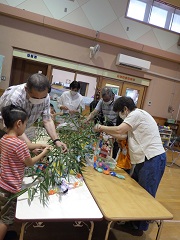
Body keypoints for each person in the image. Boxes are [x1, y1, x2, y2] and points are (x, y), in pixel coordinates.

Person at [94, 96, 166, 236]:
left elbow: (120, 130)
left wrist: (101, 127)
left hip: (152, 158)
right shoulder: (136, 116)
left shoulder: (136, 114)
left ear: (125, 109)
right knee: (136, 190)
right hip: (144, 159)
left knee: (146, 193)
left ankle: (139, 228)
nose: (121, 116)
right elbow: (123, 136)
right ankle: (132, 220)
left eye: (120, 112)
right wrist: (107, 132)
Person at [0, 105, 51, 240]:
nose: (25, 127)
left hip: (2, 183)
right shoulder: (19, 144)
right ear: (19, 123)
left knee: (1, 212)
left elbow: (23, 147)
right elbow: (29, 162)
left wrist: (40, 145)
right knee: (5, 219)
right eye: (26, 124)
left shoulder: (4, 139)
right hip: (10, 188)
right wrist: (44, 152)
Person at [0, 73, 67, 152]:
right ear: (26, 89)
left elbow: (47, 120)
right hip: (4, 130)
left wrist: (56, 140)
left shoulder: (46, 96)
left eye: (43, 97)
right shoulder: (14, 98)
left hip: (21, 131)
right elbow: (13, 127)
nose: (39, 100)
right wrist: (31, 146)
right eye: (35, 97)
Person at [86, 87, 120, 158]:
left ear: (112, 96)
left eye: (107, 100)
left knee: (113, 146)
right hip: (106, 125)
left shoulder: (119, 100)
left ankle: (111, 158)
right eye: (104, 100)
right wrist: (87, 119)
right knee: (103, 145)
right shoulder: (102, 101)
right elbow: (94, 112)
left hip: (115, 126)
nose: (105, 101)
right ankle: (101, 158)